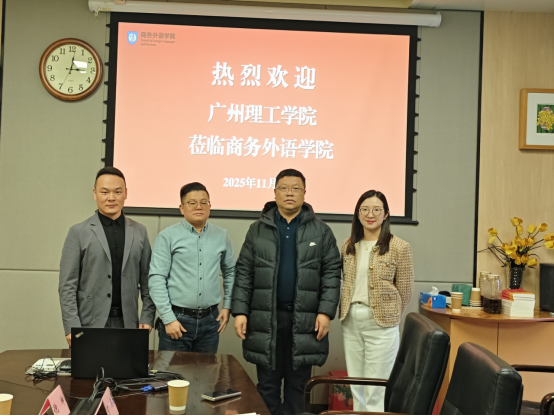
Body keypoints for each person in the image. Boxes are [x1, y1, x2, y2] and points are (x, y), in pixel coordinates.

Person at [232, 169, 341, 415]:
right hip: (266, 318)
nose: (289, 193)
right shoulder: (257, 229)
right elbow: (244, 272)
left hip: (305, 320)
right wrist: (240, 312)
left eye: (295, 188)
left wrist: (325, 312)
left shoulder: (321, 231)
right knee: (267, 385)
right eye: (284, 188)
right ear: (275, 192)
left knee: (298, 386)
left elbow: (332, 274)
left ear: (304, 192)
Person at [59, 167, 155, 346]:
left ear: (126, 193)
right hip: (89, 323)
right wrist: (71, 325)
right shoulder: (78, 232)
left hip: (129, 323)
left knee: (127, 365)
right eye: (104, 192)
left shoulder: (140, 231)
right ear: (95, 194)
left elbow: (148, 280)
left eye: (117, 192)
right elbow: (67, 285)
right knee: (90, 365)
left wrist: (147, 316)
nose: (111, 197)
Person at [340, 190, 414, 412]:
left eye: (376, 210)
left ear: (386, 214)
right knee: (356, 383)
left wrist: (389, 315)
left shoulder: (400, 247)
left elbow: (405, 290)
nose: (370, 214)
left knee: (376, 387)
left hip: (381, 324)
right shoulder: (348, 246)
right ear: (358, 213)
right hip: (351, 320)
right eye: (364, 209)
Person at [149, 182, 235, 353]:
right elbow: (156, 278)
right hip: (177, 320)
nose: (199, 207)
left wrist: (228, 306)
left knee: (206, 370)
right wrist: (168, 318)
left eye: (204, 202)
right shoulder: (167, 236)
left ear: (210, 206)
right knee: (173, 370)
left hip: (211, 321)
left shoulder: (221, 236)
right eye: (192, 203)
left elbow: (231, 272)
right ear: (181, 208)